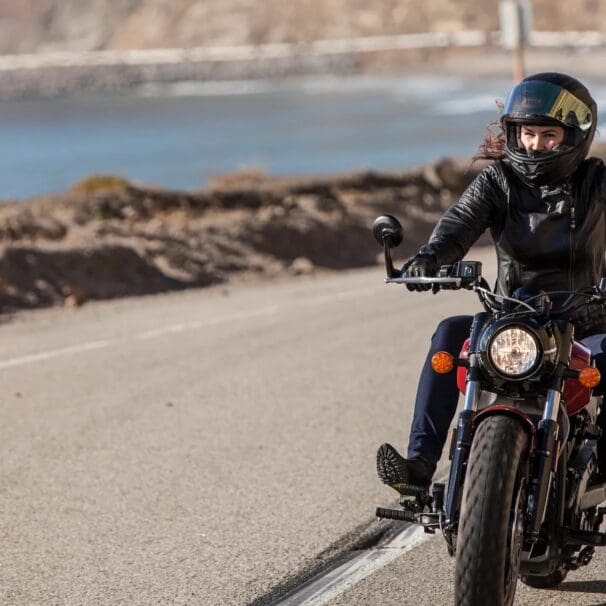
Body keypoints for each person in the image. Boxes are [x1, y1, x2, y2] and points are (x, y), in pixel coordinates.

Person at [376, 71, 606, 493]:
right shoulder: (500, 180)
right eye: (528, 133)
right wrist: (429, 257)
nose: (536, 145)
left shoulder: (597, 183)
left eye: (549, 134)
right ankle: (420, 465)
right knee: (450, 334)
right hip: (512, 320)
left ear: (575, 134)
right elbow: (458, 225)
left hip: (586, 322)